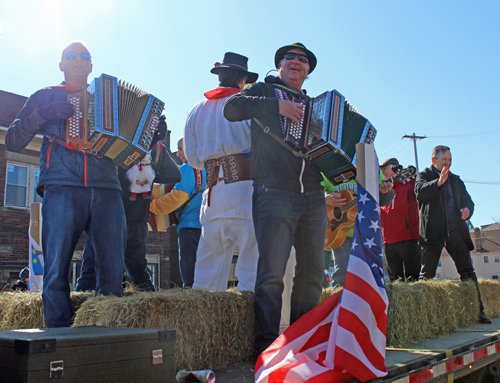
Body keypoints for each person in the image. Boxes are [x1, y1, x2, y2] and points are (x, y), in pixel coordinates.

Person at [6, 41, 126, 327]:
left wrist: (148, 134)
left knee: (112, 272)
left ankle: (109, 340)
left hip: (107, 188)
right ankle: (58, 340)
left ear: (91, 66)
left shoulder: (110, 101)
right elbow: (12, 140)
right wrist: (42, 115)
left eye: (85, 56)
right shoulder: (44, 95)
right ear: (61, 64)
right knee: (56, 270)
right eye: (71, 56)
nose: (78, 60)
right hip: (61, 186)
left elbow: (128, 149)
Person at [224, 43, 330, 353]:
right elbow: (231, 108)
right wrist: (276, 107)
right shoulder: (263, 90)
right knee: (271, 273)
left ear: (308, 70)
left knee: (312, 274)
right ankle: (267, 350)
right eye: (290, 58)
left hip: (313, 194)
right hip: (274, 192)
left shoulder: (316, 105)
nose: (297, 62)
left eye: (303, 60)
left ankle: (302, 345)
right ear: (279, 64)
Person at [76, 116, 181, 292]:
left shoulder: (114, 144)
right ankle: (152, 312)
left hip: (108, 217)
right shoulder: (156, 148)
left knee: (91, 272)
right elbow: (175, 176)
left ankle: (80, 314)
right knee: (139, 273)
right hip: (138, 220)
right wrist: (149, 175)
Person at [183, 52, 259, 292]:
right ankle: (254, 327)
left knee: (206, 276)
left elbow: (194, 159)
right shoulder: (250, 106)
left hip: (213, 195)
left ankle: (201, 327)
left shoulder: (196, 110)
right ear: (242, 81)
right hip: (247, 192)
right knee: (251, 269)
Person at [415, 145, 491, 323]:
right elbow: (419, 193)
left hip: (456, 230)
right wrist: (438, 183)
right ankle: (423, 318)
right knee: (427, 274)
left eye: (450, 160)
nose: (448, 163)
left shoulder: (456, 180)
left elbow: (469, 201)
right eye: (444, 160)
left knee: (467, 271)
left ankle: (479, 311)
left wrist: (467, 210)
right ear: (434, 160)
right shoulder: (423, 176)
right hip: (433, 233)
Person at [150, 138, 206, 288]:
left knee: (190, 280)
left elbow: (176, 198)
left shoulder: (188, 168)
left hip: (190, 228)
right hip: (208, 228)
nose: (179, 153)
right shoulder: (211, 168)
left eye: (182, 148)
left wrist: (152, 206)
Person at [323, 170, 394, 286]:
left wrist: (386, 193)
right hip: (340, 233)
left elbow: (383, 201)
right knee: (342, 276)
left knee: (371, 277)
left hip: (368, 231)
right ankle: (339, 303)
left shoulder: (369, 163)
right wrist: (326, 199)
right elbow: (311, 194)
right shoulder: (328, 166)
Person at [380, 158, 420, 282]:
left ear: (394, 167)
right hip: (388, 240)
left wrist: (410, 176)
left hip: (407, 237)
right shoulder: (382, 188)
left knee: (412, 278)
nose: (383, 172)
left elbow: (418, 188)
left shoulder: (407, 182)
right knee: (394, 280)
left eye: (385, 168)